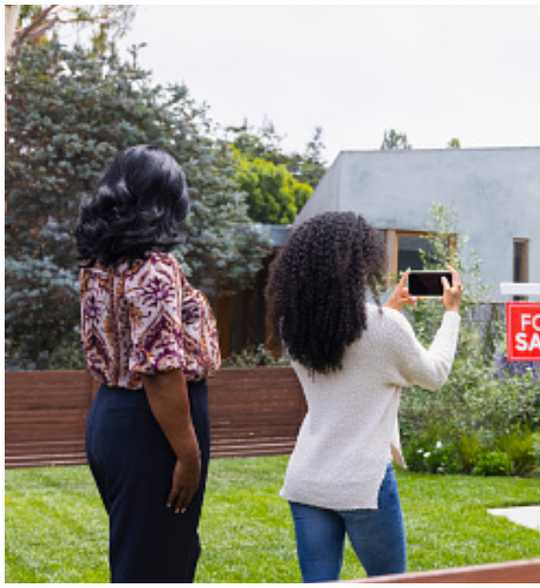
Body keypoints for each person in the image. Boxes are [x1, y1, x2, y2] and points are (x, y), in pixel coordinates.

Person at [266, 211, 462, 582]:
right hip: (362, 483)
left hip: (308, 479)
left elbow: (352, 349)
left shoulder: (293, 328)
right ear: (358, 263)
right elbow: (433, 375)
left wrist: (388, 309)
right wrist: (451, 314)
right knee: (389, 582)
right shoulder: (385, 328)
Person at [75, 144, 219, 582]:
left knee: (140, 554)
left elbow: (101, 360)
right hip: (156, 428)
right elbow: (160, 369)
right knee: (161, 565)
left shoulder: (96, 267)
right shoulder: (155, 269)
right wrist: (188, 454)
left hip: (113, 418)